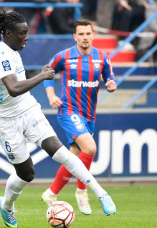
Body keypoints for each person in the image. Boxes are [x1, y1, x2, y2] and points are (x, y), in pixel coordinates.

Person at [0, 9, 116, 227]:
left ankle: (101, 194)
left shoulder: (7, 49)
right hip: (8, 122)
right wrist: (42, 76)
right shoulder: (1, 55)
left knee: (61, 152)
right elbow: (14, 88)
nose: (26, 37)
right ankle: (7, 205)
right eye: (22, 33)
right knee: (27, 173)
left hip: (29, 111)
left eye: (26, 32)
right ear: (8, 33)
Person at [41, 19, 117, 215]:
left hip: (89, 115)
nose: (84, 37)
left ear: (93, 35)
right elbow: (45, 73)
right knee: (90, 148)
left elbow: (109, 76)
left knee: (73, 157)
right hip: (68, 111)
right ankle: (82, 191)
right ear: (75, 36)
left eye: (87, 34)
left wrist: (111, 84)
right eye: (80, 34)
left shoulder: (102, 57)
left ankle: (51, 193)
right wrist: (51, 96)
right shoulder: (64, 56)